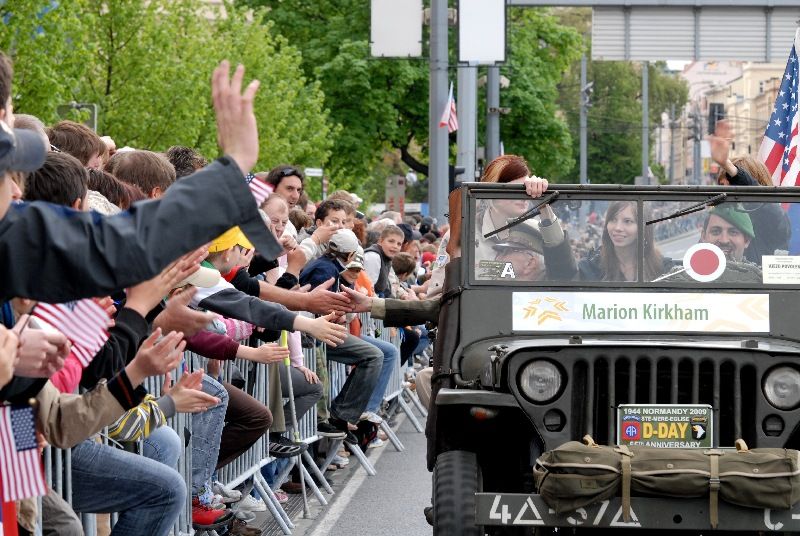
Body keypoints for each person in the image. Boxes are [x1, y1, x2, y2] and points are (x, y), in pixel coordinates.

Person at [710, 119, 790, 261]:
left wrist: (729, 167)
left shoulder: (773, 222)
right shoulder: (716, 225)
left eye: (734, 190)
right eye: (722, 187)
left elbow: (764, 205)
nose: (726, 196)